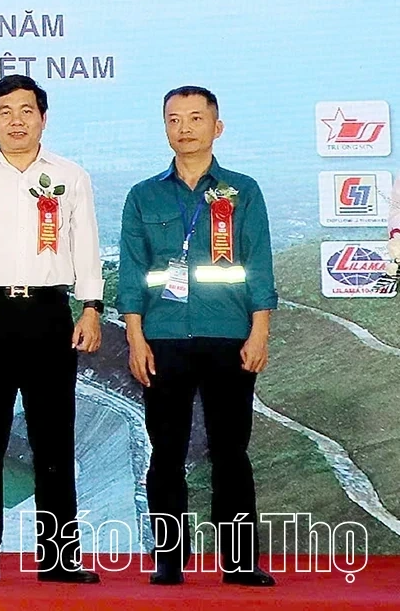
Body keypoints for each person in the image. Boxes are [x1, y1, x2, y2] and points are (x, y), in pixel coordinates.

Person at [0, 75, 102, 584]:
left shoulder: (70, 176)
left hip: (50, 316)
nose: (16, 121)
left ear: (43, 118)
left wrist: (91, 307)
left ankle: (59, 557)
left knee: (54, 442)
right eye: (4, 112)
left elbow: (87, 245)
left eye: (26, 111)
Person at [118, 86, 277, 587]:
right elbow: (132, 272)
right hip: (163, 339)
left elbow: (259, 263)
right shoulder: (143, 195)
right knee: (166, 452)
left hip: (229, 337)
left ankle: (240, 561)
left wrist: (260, 331)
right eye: (173, 119)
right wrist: (136, 339)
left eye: (195, 118)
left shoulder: (242, 190)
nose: (183, 128)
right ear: (164, 127)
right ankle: (169, 559)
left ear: (217, 127)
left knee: (231, 451)